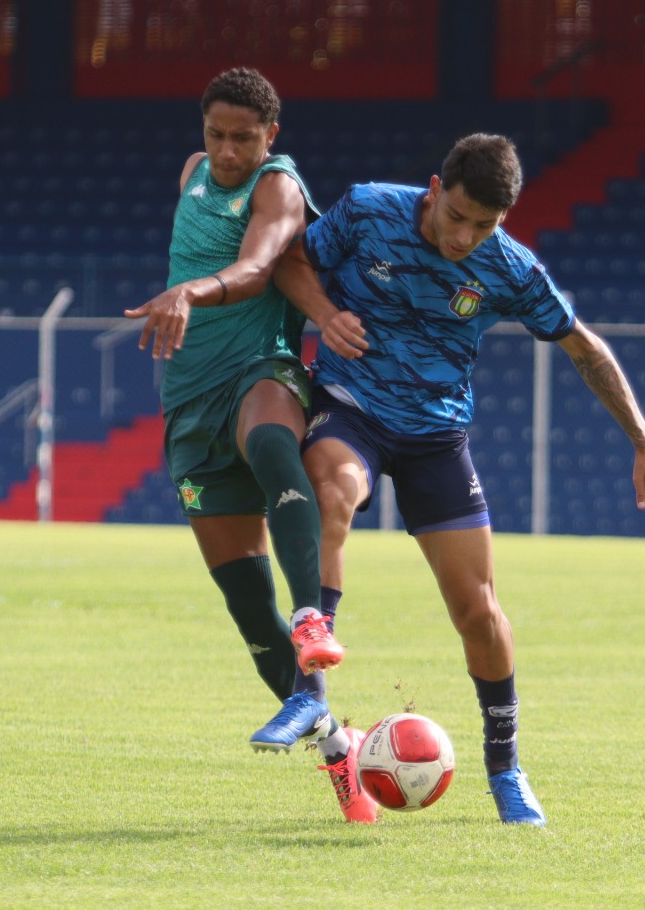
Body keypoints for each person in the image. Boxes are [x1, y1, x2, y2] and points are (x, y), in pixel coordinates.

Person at [275, 132, 645, 826]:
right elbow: (291, 261)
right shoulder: (370, 210)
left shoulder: (508, 267)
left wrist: (644, 442)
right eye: (457, 216)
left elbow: (585, 348)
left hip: (436, 438)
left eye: (484, 226)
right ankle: (314, 663)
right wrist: (323, 313)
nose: (465, 236)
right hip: (352, 409)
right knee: (332, 490)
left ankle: (506, 766)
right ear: (434, 189)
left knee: (480, 612)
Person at [121, 67, 373, 823]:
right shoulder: (194, 173)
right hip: (188, 400)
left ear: (272, 135)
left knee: (272, 442)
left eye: (243, 137)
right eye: (216, 134)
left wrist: (191, 293)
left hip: (261, 366)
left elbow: (264, 265)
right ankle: (334, 741)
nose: (227, 151)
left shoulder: (280, 186)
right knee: (239, 598)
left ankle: (312, 619)